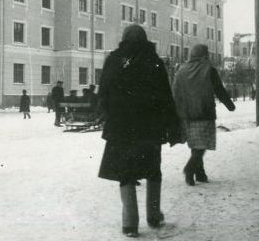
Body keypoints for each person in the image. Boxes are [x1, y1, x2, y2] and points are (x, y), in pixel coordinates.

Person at [98, 24, 183, 238]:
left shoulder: (114, 60)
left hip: (122, 128)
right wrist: (171, 125)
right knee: (153, 170)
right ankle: (153, 216)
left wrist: (108, 116)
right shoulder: (154, 61)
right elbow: (165, 96)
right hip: (150, 128)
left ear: (124, 39)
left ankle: (130, 224)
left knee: (126, 174)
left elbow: (103, 93)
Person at [172, 44, 236, 184]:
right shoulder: (209, 70)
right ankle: (190, 169)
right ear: (204, 55)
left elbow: (176, 91)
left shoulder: (181, 70)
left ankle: (200, 173)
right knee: (202, 145)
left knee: (195, 144)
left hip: (187, 115)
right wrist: (229, 105)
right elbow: (219, 89)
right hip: (204, 112)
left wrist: (177, 111)